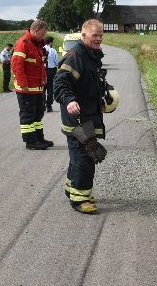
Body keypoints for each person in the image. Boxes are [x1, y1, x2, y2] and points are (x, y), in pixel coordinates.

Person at [53, 19, 110, 214]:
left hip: (88, 116)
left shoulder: (91, 55)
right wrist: (69, 101)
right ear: (83, 35)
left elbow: (90, 82)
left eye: (101, 35)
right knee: (85, 158)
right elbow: (60, 83)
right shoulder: (75, 56)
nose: (99, 38)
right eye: (95, 35)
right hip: (77, 120)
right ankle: (80, 199)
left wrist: (104, 94)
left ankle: (73, 189)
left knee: (77, 157)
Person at [11, 19, 54, 150]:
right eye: (42, 34)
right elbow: (17, 65)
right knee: (28, 115)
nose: (43, 36)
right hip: (27, 88)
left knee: (38, 114)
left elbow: (40, 64)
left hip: (37, 87)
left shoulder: (37, 44)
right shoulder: (23, 44)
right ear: (34, 31)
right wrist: (23, 83)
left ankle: (39, 138)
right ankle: (31, 142)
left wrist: (44, 78)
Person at [44, 36, 59, 112]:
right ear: (50, 42)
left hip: (42, 71)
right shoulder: (52, 50)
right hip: (51, 71)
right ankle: (49, 106)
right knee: (50, 89)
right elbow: (57, 62)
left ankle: (41, 105)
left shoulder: (41, 49)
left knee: (42, 89)